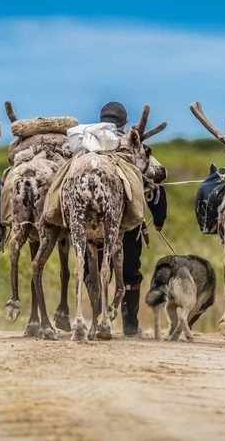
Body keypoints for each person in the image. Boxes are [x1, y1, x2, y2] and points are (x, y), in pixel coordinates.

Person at [83, 101, 168, 336]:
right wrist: (159, 219)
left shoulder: (86, 144)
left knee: (94, 269)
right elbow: (155, 185)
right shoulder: (134, 147)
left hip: (92, 225)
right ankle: (130, 325)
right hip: (128, 226)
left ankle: (98, 317)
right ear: (123, 123)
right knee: (130, 270)